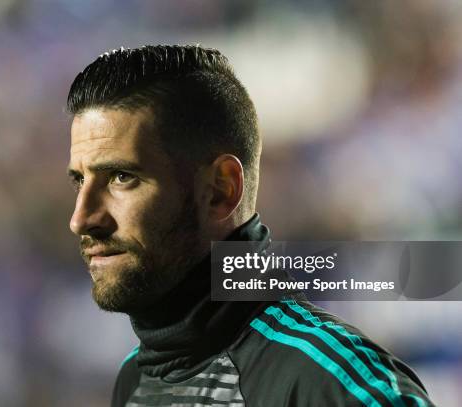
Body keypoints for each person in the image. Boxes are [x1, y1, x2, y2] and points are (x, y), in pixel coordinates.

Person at [65, 45, 434, 406]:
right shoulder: (135, 378)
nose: (81, 218)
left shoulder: (326, 380)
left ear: (220, 190)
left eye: (122, 177)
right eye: (79, 180)